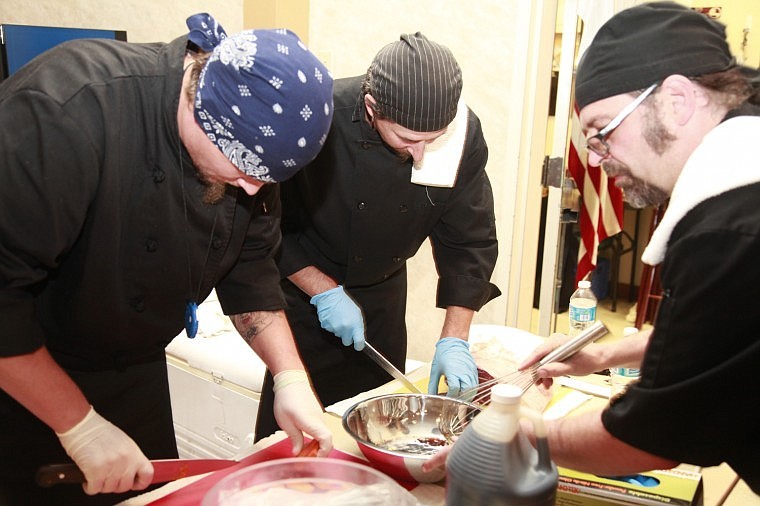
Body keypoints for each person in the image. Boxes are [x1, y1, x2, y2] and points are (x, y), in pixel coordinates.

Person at [0, 13, 335, 505]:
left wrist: (290, 377)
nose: (252, 188)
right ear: (202, 107)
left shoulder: (251, 154)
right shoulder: (63, 111)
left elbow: (252, 268)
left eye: (268, 179)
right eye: (244, 170)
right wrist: (80, 427)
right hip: (25, 374)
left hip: (137, 374)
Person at [425, 2, 760, 493]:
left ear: (678, 99)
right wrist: (599, 356)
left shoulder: (727, 229)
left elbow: (647, 439)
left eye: (602, 133)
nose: (600, 161)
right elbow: (717, 336)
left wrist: (514, 434)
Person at [254, 32, 501, 441]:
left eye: (432, 140)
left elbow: (470, 240)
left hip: (383, 304)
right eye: (407, 139)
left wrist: (454, 339)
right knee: (298, 437)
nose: (420, 154)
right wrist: (322, 290)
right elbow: (263, 223)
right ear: (372, 107)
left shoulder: (461, 136)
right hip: (303, 293)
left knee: (383, 434)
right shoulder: (318, 118)